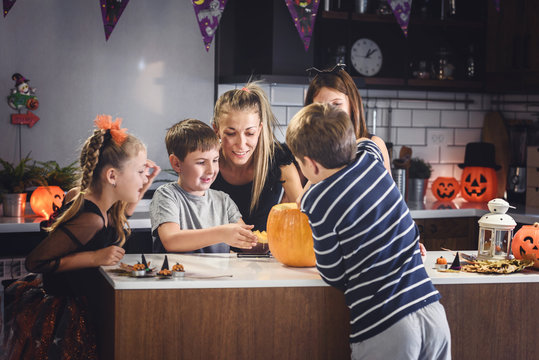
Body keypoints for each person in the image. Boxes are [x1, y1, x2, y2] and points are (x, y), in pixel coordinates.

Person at [286, 103, 451, 360]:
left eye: (300, 163)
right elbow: (368, 141)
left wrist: (308, 192)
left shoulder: (317, 201)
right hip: (432, 312)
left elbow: (331, 272)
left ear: (311, 165)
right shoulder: (369, 157)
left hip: (386, 324)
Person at [3, 115, 159, 359]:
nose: (143, 177)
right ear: (112, 176)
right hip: (67, 312)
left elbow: (122, 213)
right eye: (140, 171)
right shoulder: (91, 218)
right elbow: (35, 262)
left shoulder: (100, 203)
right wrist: (94, 257)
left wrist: (144, 184)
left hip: (85, 301)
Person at [150, 119, 258, 253]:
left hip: (218, 274)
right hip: (177, 273)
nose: (211, 170)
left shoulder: (223, 200)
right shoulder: (167, 195)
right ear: (177, 164)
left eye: (215, 160)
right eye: (201, 162)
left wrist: (252, 241)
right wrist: (221, 233)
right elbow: (171, 241)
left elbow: (246, 240)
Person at [211, 82, 303, 233]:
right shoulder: (206, 163)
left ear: (260, 129)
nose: (241, 144)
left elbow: (305, 215)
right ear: (216, 130)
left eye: (250, 133)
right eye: (231, 133)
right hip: (214, 254)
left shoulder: (279, 162)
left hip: (265, 254)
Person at [305, 64, 392, 173]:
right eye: (319, 107)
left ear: (352, 105)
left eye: (336, 104)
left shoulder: (373, 145)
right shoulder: (306, 150)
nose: (328, 113)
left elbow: (387, 189)